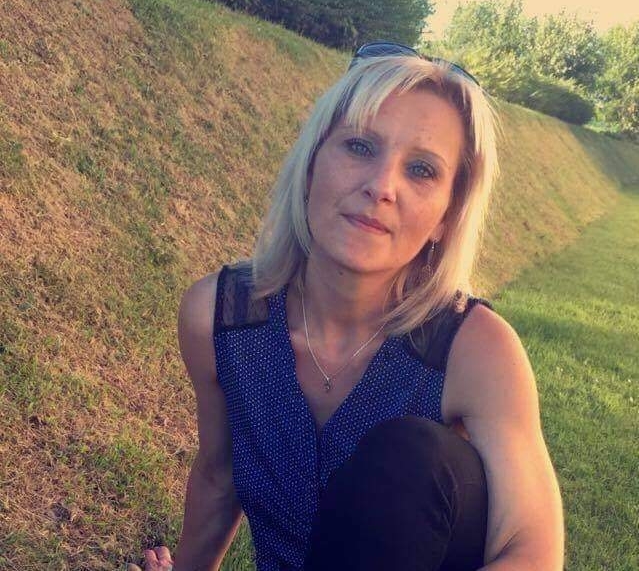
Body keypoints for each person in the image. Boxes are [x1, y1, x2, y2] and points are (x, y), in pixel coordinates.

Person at [138, 41, 564, 571]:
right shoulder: (222, 319)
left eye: (422, 170)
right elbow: (218, 476)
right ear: (312, 164)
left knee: (412, 457)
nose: (381, 186)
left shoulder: (476, 349)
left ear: (446, 217)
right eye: (360, 146)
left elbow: (532, 548)